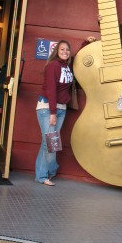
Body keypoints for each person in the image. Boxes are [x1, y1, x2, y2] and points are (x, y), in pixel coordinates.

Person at [35, 40, 74, 186]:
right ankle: (52, 170)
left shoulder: (67, 66)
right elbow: (51, 90)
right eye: (62, 49)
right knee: (51, 143)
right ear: (56, 51)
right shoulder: (53, 66)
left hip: (61, 109)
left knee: (47, 143)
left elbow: (78, 57)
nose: (65, 52)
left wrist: (85, 43)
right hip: (47, 108)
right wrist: (52, 112)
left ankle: (40, 176)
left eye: (67, 50)